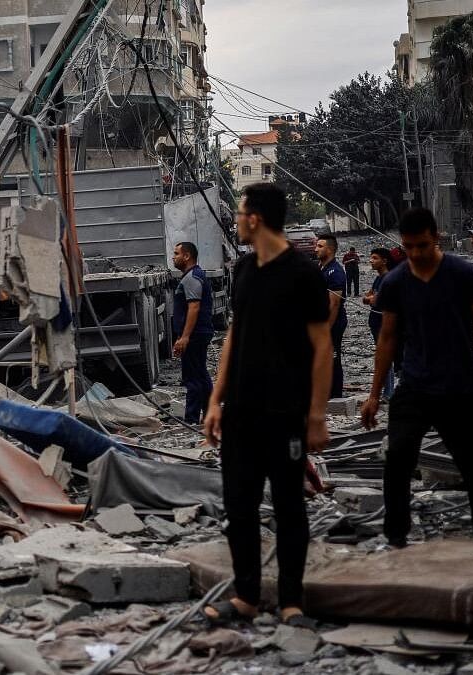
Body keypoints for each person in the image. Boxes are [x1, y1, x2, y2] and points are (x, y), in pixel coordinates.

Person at [202, 183, 333, 628]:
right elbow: (233, 338)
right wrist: (216, 401)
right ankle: (246, 597)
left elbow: (322, 348)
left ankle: (292, 601)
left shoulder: (303, 272)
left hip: (286, 413)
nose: (236, 221)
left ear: (254, 218)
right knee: (239, 506)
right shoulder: (244, 269)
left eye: (239, 214)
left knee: (289, 506)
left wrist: (316, 416)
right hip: (242, 411)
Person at [360, 208, 473, 548]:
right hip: (414, 387)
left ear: (435, 237)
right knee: (397, 460)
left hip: (460, 387)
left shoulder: (461, 274)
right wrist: (374, 394)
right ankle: (396, 537)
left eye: (422, 245)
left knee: (471, 465)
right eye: (408, 247)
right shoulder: (396, 282)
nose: (415, 254)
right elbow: (388, 338)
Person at [171, 241, 214, 424]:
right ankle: (210, 415)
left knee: (193, 378)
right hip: (199, 333)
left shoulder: (192, 278)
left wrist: (185, 337)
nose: (173, 257)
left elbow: (194, 307)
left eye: (176, 253)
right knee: (201, 375)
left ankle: (191, 419)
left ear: (187, 256)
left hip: (195, 335)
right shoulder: (195, 275)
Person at [316, 234, 348, 399]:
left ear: (330, 249)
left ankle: (335, 395)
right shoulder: (322, 268)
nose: (316, 249)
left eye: (320, 246)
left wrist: (326, 329)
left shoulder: (335, 272)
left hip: (333, 322)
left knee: (333, 357)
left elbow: (334, 305)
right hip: (322, 322)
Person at [362, 248, 395, 399]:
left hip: (383, 324)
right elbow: (368, 297)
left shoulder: (388, 279)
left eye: (375, 258)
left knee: (385, 357)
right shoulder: (378, 278)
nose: (371, 261)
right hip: (375, 322)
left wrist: (372, 299)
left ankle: (388, 393)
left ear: (384, 261)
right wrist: (371, 298)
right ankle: (387, 391)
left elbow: (376, 300)